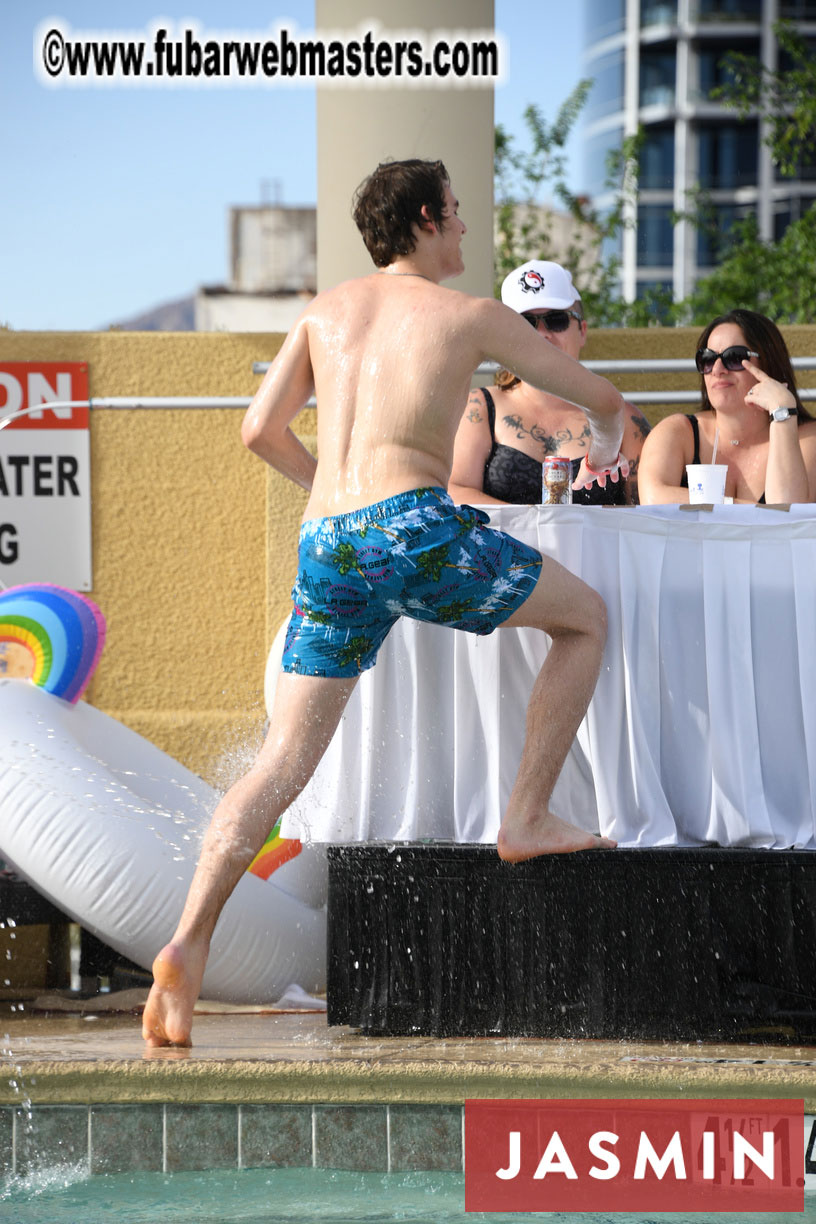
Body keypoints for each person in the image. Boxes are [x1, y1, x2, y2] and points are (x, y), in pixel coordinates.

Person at [142, 158, 627, 1048]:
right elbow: (600, 397)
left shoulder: (324, 311)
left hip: (327, 541)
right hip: (410, 524)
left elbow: (258, 429)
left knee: (282, 764)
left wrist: (332, 494)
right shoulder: (470, 315)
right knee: (586, 618)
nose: (467, 231)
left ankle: (187, 942)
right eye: (457, 214)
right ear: (429, 216)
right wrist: (603, 446)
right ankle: (524, 815)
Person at [449, 260, 651, 507]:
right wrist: (538, 526)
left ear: (583, 331)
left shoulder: (625, 420)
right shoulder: (479, 408)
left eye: (556, 320)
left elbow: (648, 511)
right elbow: (455, 492)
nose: (542, 334)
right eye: (525, 323)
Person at [638, 309, 816, 504]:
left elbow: (788, 516)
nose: (717, 369)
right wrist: (744, 508)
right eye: (707, 359)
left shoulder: (807, 439)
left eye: (734, 358)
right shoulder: (679, 432)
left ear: (767, 362)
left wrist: (783, 413)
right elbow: (653, 499)